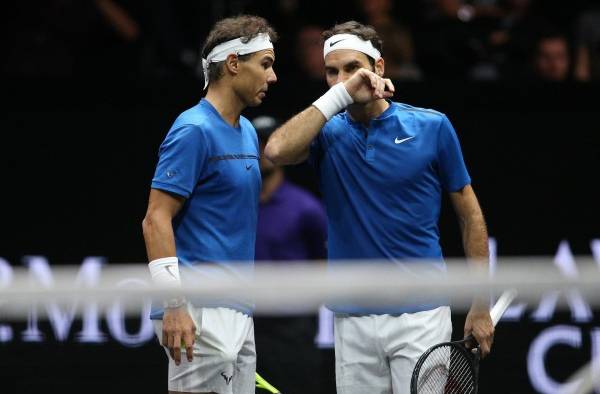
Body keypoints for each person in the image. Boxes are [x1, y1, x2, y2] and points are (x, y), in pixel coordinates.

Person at [264, 21, 493, 394]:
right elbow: (275, 151)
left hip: (421, 315)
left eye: (353, 68)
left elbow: (470, 216)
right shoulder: (325, 132)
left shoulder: (432, 126)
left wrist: (481, 305)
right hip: (352, 319)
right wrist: (339, 97)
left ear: (380, 68)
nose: (342, 79)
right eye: (332, 72)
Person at [141, 15, 277, 394]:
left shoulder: (248, 132)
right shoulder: (192, 129)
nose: (273, 77)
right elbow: (155, 220)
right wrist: (174, 305)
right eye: (265, 64)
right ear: (234, 64)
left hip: (238, 306)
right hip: (195, 307)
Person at [251, 115, 328, 394]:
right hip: (245, 327)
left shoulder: (306, 208)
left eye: (267, 142)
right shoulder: (236, 204)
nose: (261, 150)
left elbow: (323, 266)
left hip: (292, 332)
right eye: (256, 143)